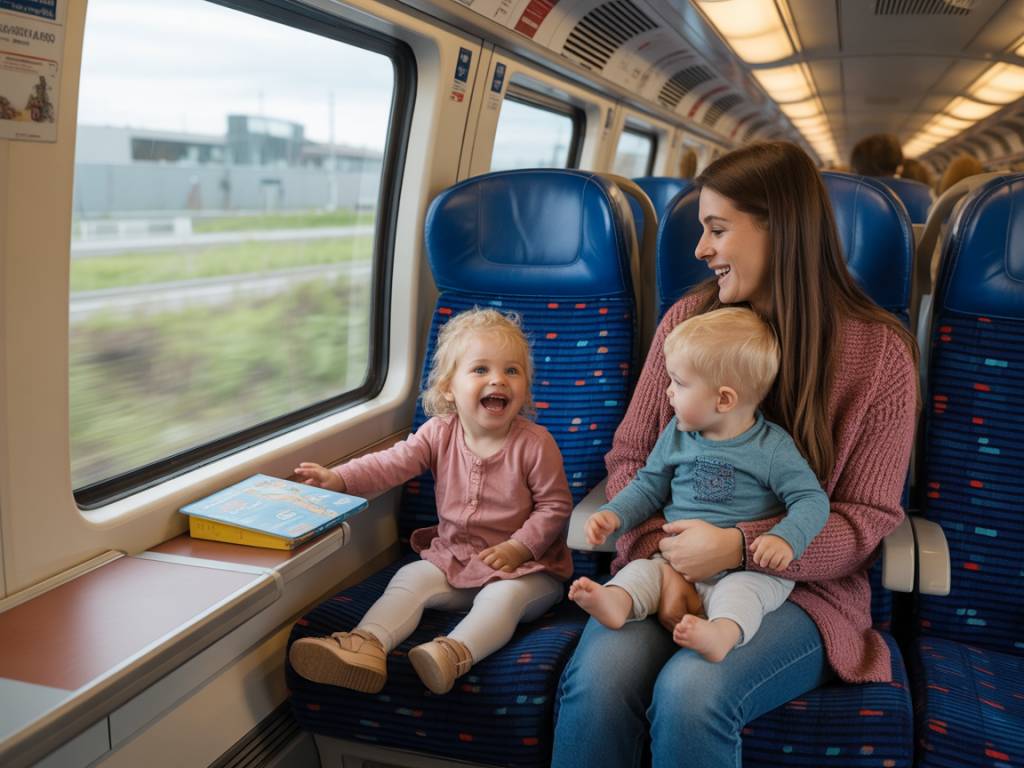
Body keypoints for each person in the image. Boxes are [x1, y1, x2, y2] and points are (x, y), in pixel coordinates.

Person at [551, 141, 918, 768]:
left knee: (692, 692)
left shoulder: (882, 357)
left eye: (718, 229)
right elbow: (635, 458)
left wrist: (740, 547)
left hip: (799, 590)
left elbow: (863, 521)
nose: (700, 250)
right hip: (667, 564)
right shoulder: (688, 321)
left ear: (783, 230)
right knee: (599, 683)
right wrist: (662, 566)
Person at [289, 308, 573, 695]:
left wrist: (518, 548)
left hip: (529, 570)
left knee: (500, 596)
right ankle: (367, 646)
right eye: (480, 370)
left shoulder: (535, 443)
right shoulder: (438, 433)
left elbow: (554, 507)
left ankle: (452, 654)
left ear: (525, 387)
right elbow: (390, 464)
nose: (498, 380)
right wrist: (339, 478)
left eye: (512, 371)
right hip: (455, 559)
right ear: (447, 388)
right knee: (410, 577)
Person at [569, 308, 829, 663]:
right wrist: (614, 514)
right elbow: (647, 486)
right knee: (644, 572)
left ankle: (721, 632)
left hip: (747, 569)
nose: (667, 392)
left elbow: (812, 500)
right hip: (677, 563)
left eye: (679, 383)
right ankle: (617, 602)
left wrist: (786, 538)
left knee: (743, 594)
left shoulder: (772, 449)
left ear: (723, 399)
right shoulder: (676, 434)